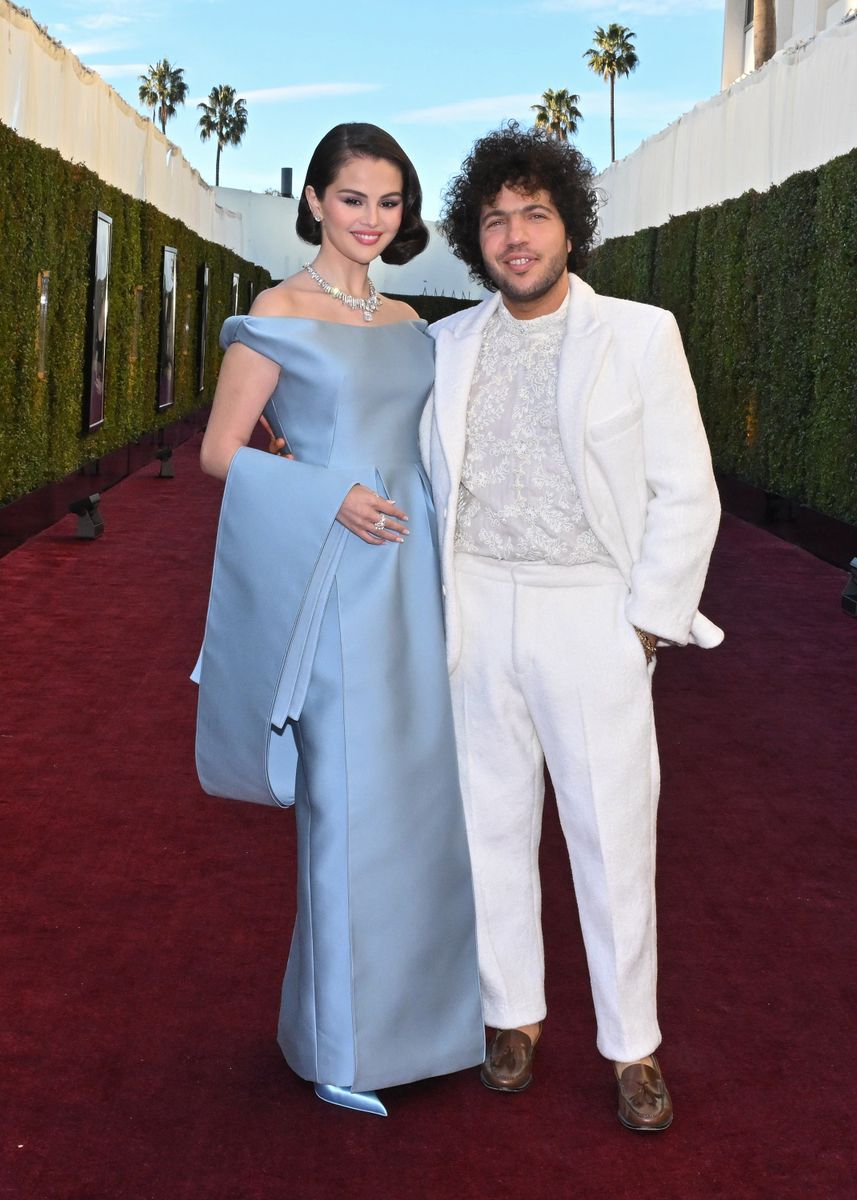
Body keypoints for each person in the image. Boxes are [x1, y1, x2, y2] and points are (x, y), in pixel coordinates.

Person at [419, 123, 724, 1131]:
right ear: (474, 238)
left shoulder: (639, 334)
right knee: (487, 826)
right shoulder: (443, 345)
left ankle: (631, 1044)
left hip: (588, 611)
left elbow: (685, 492)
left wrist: (641, 626)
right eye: (495, 219)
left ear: (567, 225)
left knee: (608, 837)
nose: (514, 235)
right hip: (473, 605)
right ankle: (509, 1014)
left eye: (532, 214)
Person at [193, 123, 484, 1118]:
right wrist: (330, 495)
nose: (371, 219)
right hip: (336, 578)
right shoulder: (276, 313)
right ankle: (337, 1045)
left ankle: (427, 1029)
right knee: (343, 810)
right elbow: (220, 454)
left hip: (415, 586)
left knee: (419, 807)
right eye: (353, 198)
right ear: (313, 199)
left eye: (390, 202)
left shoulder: (411, 322)